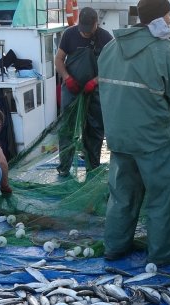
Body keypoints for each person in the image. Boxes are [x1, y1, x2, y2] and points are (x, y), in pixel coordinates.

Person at [98, 0, 170, 264]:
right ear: (161, 19)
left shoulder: (110, 47)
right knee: (161, 197)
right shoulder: (164, 50)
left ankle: (115, 247)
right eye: (169, 16)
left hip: (118, 138)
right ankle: (162, 254)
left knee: (122, 195)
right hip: (153, 139)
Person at [54, 7, 113, 177]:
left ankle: (92, 167)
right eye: (83, 29)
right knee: (67, 127)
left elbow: (111, 66)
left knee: (94, 129)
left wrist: (96, 81)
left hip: (94, 91)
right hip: (71, 89)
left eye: (89, 29)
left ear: (97, 23)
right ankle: (64, 167)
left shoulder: (106, 38)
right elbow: (58, 59)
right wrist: (67, 77)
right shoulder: (69, 34)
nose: (85, 33)